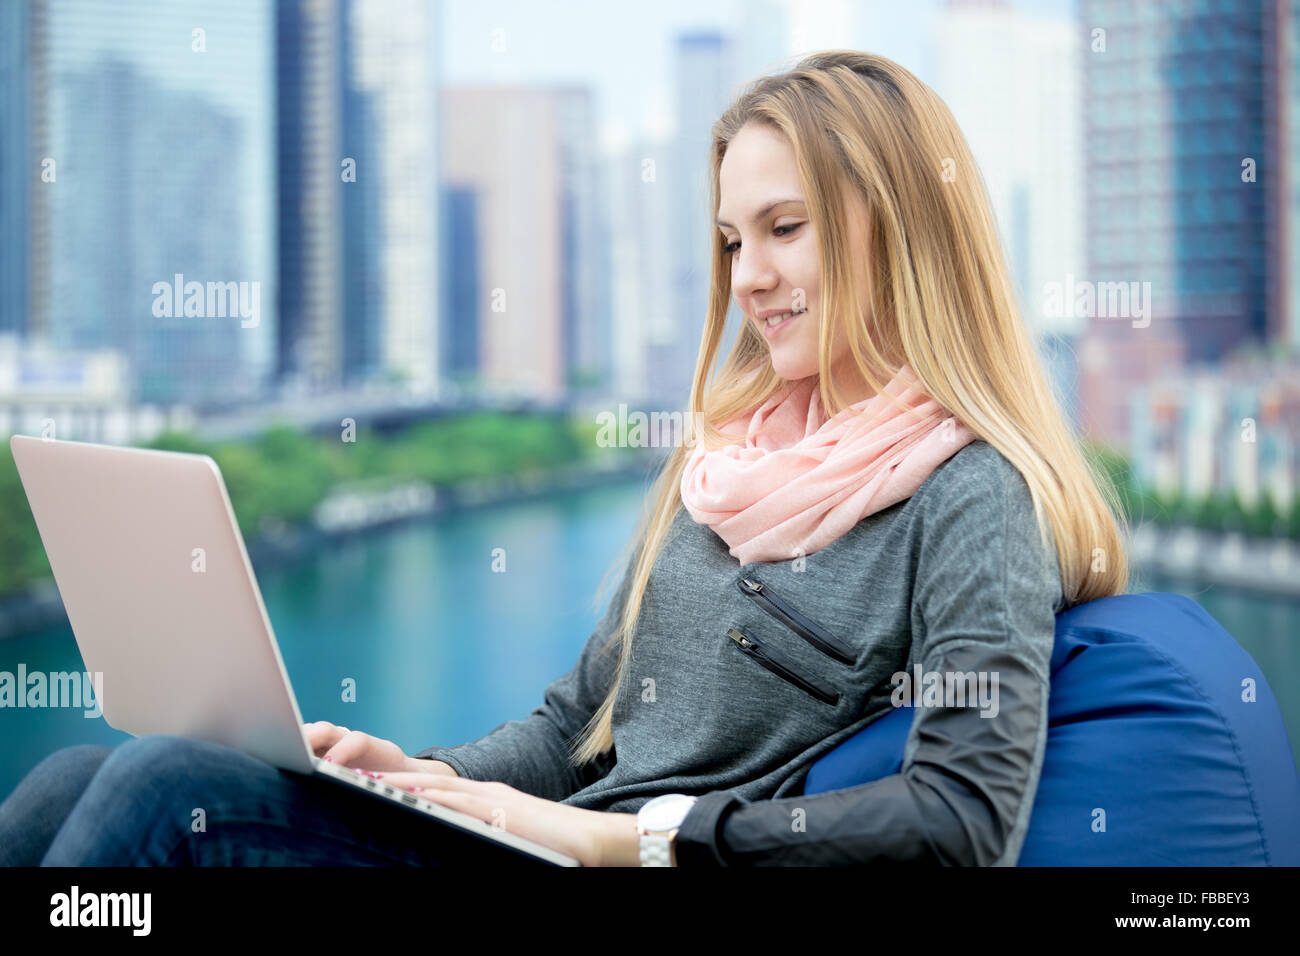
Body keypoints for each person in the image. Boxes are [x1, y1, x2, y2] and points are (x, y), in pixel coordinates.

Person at [0, 49, 1128, 867]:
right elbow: (569, 725)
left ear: (902, 229)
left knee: (165, 788)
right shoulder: (728, 464)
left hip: (603, 866)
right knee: (68, 777)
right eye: (733, 240)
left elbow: (962, 816)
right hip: (528, 843)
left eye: (787, 229)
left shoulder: (973, 494)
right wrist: (412, 772)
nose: (747, 277)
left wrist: (627, 838)